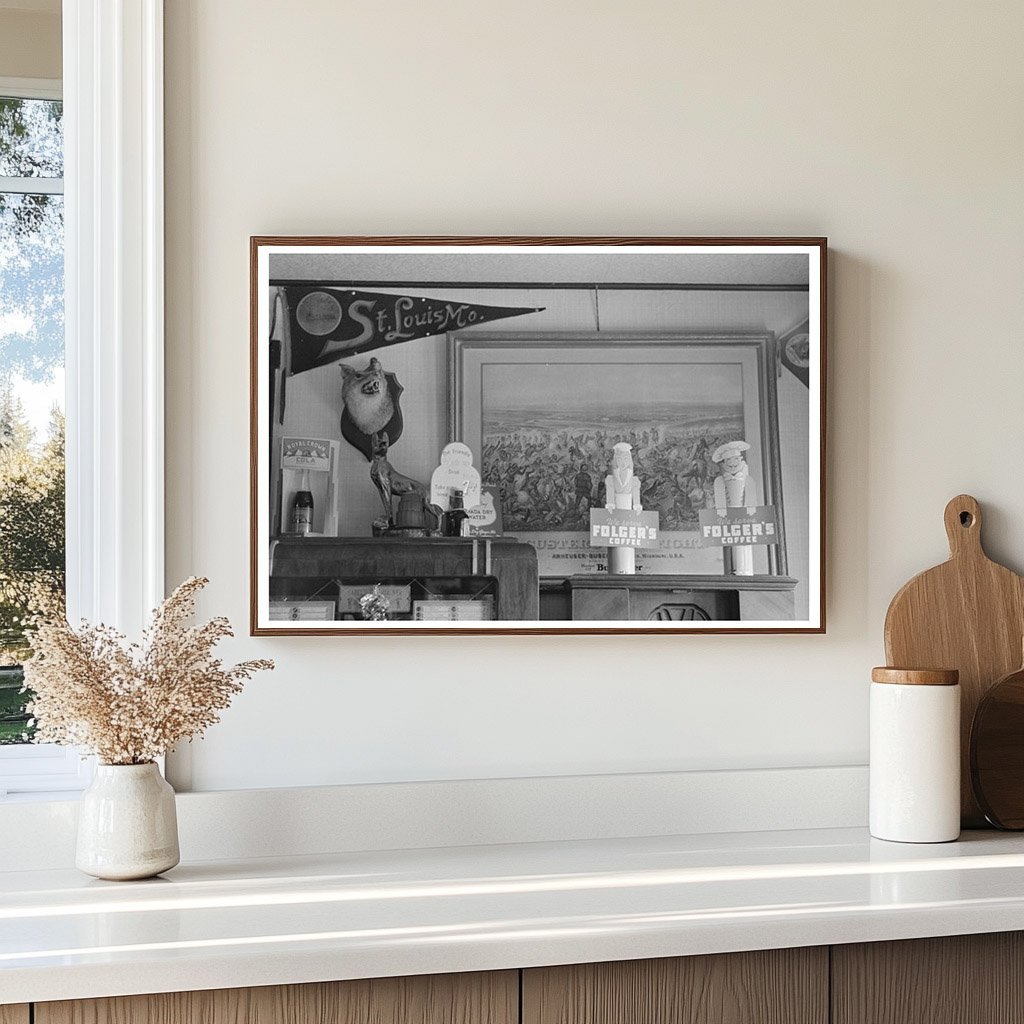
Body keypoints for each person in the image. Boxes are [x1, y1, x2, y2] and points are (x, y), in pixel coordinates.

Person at [712, 440, 756, 576]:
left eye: (736, 459)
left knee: (744, 548)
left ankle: (745, 570)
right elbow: (719, 501)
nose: (732, 463)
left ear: (741, 460)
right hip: (727, 520)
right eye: (728, 461)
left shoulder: (748, 480)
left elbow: (751, 498)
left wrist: (750, 513)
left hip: (744, 519)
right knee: (729, 548)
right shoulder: (719, 481)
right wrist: (721, 516)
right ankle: (731, 571)